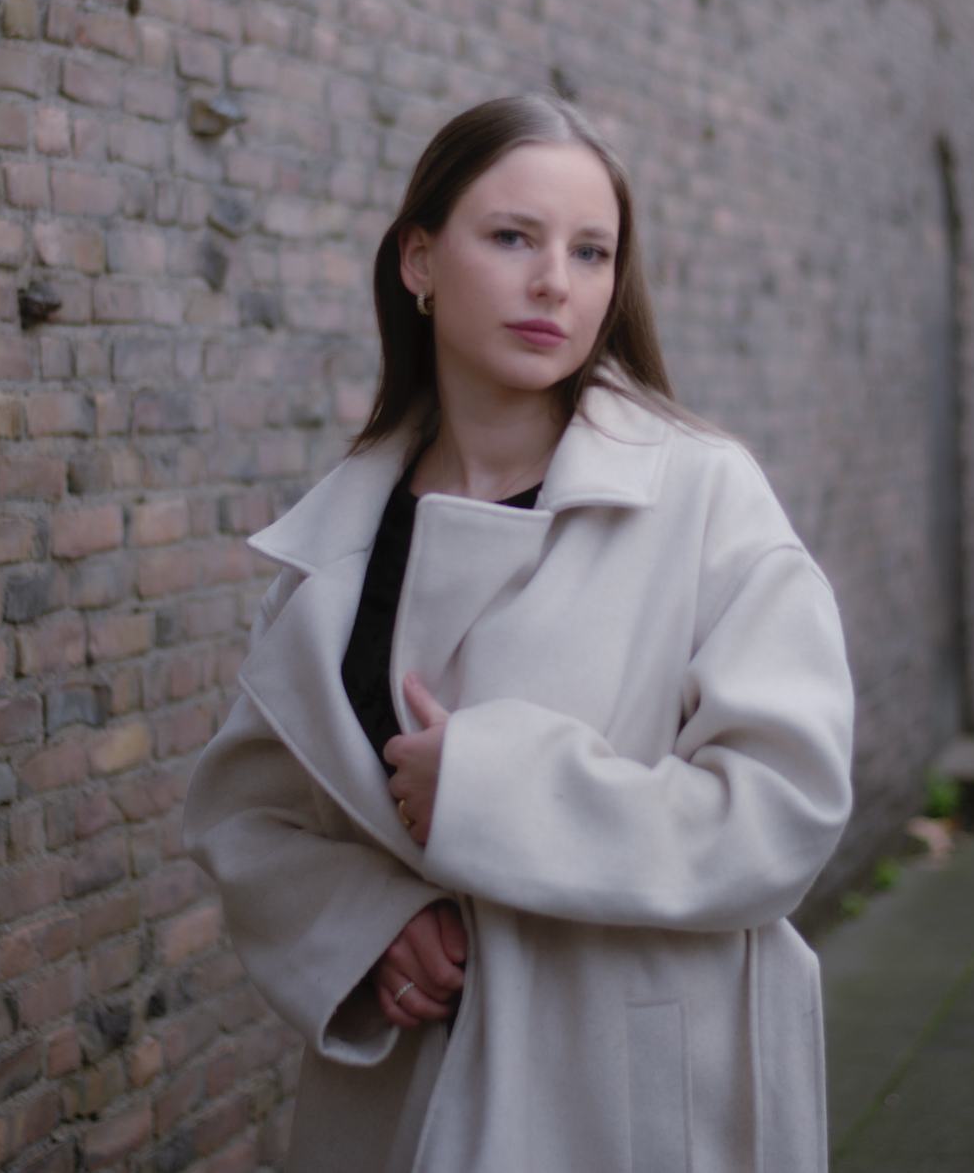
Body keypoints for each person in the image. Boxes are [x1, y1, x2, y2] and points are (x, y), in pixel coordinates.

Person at [184, 94, 854, 1173]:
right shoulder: (342, 537)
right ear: (419, 260)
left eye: (593, 252)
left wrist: (497, 793)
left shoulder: (704, 496)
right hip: (402, 1101)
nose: (557, 280)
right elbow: (246, 811)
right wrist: (367, 923)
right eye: (513, 237)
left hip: (632, 1093)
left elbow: (784, 808)